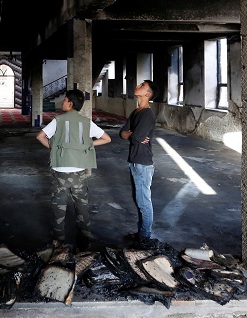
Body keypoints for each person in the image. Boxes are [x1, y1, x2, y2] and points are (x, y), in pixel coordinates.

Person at [36, 89, 111, 251]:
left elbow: (40, 136)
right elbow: (106, 138)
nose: (62, 103)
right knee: (82, 207)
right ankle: (84, 242)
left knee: (59, 207)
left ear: (70, 103)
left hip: (60, 171)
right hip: (79, 171)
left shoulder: (58, 121)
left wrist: (54, 148)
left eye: (64, 100)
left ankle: (58, 244)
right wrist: (89, 144)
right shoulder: (86, 122)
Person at [119, 80, 159, 241]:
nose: (138, 86)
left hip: (143, 162)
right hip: (135, 161)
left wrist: (132, 134)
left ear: (147, 94)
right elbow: (122, 133)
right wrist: (131, 134)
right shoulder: (136, 112)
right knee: (139, 200)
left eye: (142, 86)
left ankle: (145, 237)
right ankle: (142, 232)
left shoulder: (147, 114)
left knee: (143, 202)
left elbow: (136, 138)